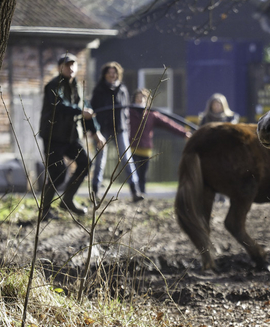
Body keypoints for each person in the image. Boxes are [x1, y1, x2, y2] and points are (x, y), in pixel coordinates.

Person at [39, 53, 105, 220]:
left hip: (71, 137)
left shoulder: (78, 87)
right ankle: (44, 211)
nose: (71, 68)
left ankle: (67, 200)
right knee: (58, 173)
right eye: (67, 65)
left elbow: (87, 111)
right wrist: (80, 112)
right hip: (53, 137)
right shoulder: (53, 86)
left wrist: (96, 133)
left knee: (85, 163)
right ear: (60, 67)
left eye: (73, 65)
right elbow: (60, 105)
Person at [90, 62, 143, 202]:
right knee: (100, 159)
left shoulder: (122, 89)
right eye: (109, 73)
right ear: (105, 74)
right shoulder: (99, 89)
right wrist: (93, 131)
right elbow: (93, 110)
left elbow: (126, 112)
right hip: (103, 129)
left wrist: (126, 128)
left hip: (120, 128)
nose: (112, 75)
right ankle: (95, 191)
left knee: (127, 159)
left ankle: (135, 190)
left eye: (114, 72)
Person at [129, 89, 192, 195]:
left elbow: (168, 124)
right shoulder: (129, 112)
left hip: (145, 148)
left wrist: (184, 133)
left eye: (142, 97)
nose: (140, 99)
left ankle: (142, 194)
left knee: (142, 174)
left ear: (147, 100)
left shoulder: (151, 114)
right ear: (134, 99)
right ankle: (135, 192)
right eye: (138, 97)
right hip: (132, 148)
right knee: (132, 172)